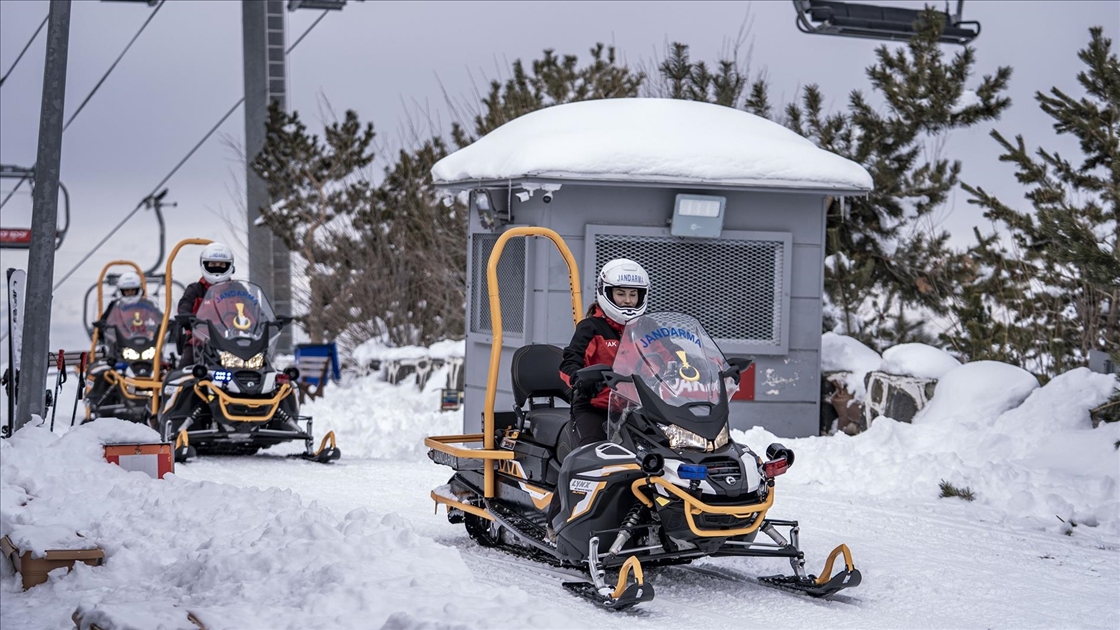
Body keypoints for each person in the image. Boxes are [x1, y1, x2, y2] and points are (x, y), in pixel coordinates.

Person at [559, 258, 649, 448]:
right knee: (592, 456)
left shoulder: (647, 330)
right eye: (620, 293)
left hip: (640, 409)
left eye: (633, 294)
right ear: (606, 293)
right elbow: (568, 364)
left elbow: (675, 356)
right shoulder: (591, 328)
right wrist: (579, 378)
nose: (627, 300)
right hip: (596, 407)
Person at [177, 242, 235, 366]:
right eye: (213, 264)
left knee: (259, 369)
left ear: (229, 265)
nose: (217, 267)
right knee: (182, 373)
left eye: (221, 264)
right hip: (200, 342)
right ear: (205, 264)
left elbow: (253, 309)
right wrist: (187, 318)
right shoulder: (195, 290)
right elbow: (184, 306)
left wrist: (267, 321)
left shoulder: (238, 290)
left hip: (234, 343)